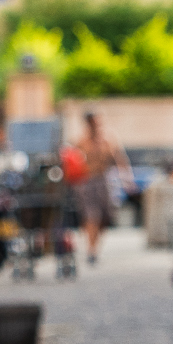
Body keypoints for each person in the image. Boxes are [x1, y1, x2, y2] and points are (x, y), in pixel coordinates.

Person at [71, 110, 134, 265]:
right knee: (92, 215)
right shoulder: (81, 141)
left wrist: (127, 179)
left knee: (105, 217)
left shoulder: (108, 139)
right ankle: (91, 250)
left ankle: (95, 245)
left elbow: (120, 159)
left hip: (104, 180)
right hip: (87, 182)